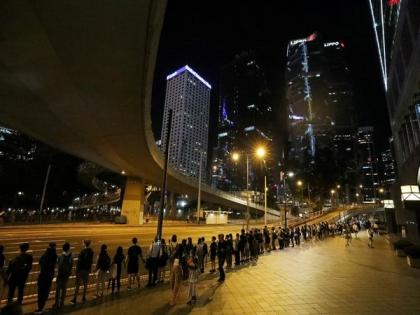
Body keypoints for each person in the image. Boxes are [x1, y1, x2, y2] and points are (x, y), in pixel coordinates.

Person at [35, 242, 57, 314]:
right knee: (45, 292)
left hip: (42, 275)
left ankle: (39, 307)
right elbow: (54, 264)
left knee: (40, 292)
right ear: (54, 247)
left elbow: (40, 262)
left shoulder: (45, 254)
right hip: (49, 276)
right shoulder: (54, 255)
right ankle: (41, 307)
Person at [71, 239, 94, 304]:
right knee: (85, 284)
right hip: (86, 270)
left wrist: (77, 270)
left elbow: (79, 262)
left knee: (78, 285)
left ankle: (75, 298)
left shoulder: (82, 251)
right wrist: (89, 269)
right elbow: (91, 262)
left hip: (80, 270)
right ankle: (83, 297)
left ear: (84, 244)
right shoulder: (91, 251)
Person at [54, 242, 73, 309]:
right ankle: (62, 303)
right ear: (68, 248)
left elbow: (58, 265)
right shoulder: (70, 257)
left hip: (60, 275)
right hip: (66, 275)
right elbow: (71, 266)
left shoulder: (60, 256)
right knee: (64, 289)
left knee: (58, 289)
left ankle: (56, 303)